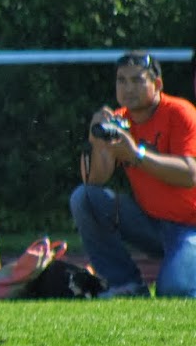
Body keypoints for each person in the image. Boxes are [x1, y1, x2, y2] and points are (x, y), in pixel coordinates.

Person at [70, 51, 196, 297]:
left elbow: (190, 174)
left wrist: (136, 154)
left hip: (189, 227)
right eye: (122, 80)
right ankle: (125, 284)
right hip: (149, 223)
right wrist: (97, 143)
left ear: (157, 84)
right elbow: (94, 181)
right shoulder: (119, 121)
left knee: (175, 290)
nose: (128, 89)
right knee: (84, 198)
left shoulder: (180, 113)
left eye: (137, 80)